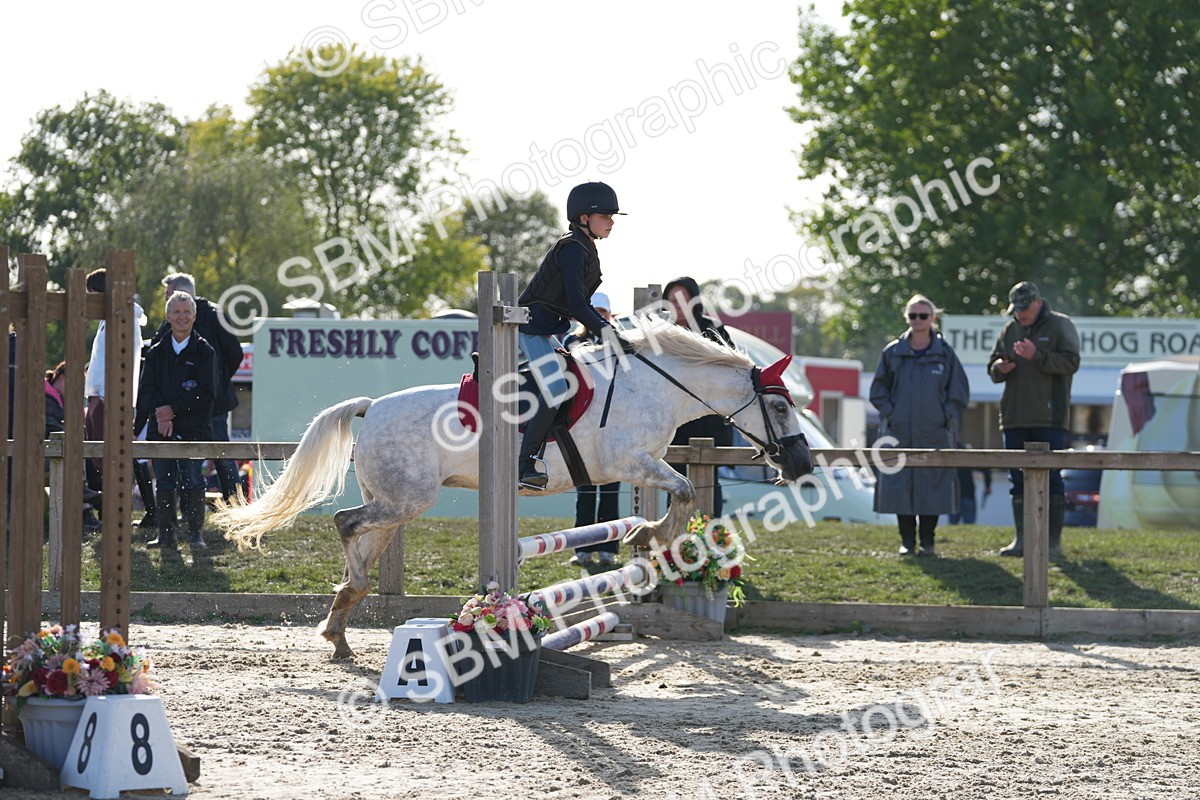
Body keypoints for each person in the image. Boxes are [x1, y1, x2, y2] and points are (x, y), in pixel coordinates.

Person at [515, 181, 632, 490]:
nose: (611, 222)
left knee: (573, 377)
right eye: (605, 216)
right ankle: (523, 465)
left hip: (543, 327)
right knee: (554, 388)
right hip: (528, 327)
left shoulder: (584, 246)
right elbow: (579, 305)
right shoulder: (572, 249)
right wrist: (608, 331)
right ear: (584, 218)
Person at [870, 294, 969, 556]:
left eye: (923, 315)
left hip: (935, 433)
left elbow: (958, 393)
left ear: (933, 318)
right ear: (907, 318)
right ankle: (906, 542)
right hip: (898, 432)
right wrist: (892, 413)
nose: (918, 320)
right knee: (900, 486)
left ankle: (928, 542)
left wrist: (945, 416)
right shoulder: (892, 352)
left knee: (932, 486)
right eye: (912, 315)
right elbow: (878, 390)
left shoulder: (945, 353)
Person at [988, 281, 1080, 557]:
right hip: (1015, 417)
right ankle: (1023, 541)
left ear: (1038, 302)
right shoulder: (1009, 329)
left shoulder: (1061, 326)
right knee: (1017, 479)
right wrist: (999, 368)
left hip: (1049, 417)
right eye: (1015, 309)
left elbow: (1071, 362)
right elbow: (992, 369)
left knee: (1052, 478)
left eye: (1024, 308)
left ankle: (1052, 544)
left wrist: (1037, 356)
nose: (1020, 314)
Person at [151, 272, 244, 504]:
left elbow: (235, 353)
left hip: (214, 404)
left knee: (221, 454)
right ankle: (187, 509)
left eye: (168, 294)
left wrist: (216, 382)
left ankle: (237, 508)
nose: (167, 301)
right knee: (186, 454)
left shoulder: (213, 316)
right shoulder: (172, 319)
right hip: (185, 406)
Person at [136, 291, 217, 550]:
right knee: (166, 482)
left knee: (193, 480)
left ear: (195, 316)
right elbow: (145, 390)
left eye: (186, 311)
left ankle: (195, 536)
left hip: (194, 430)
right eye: (176, 312)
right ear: (167, 316)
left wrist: (173, 410)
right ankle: (166, 535)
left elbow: (207, 393)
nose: (182, 316)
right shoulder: (155, 353)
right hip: (161, 433)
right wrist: (161, 410)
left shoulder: (205, 352)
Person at [662, 277, 734, 516]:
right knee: (673, 482)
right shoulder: (660, 333)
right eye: (672, 300)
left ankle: (710, 539)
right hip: (673, 420)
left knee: (709, 483)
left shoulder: (712, 329)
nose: (678, 304)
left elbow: (729, 369)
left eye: (683, 299)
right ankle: (674, 538)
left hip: (708, 419)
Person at [563, 292, 622, 568]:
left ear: (610, 314)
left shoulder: (619, 340)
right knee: (584, 489)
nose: (599, 316)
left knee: (611, 488)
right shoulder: (573, 341)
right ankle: (582, 548)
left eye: (604, 311)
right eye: (594, 311)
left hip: (614, 423)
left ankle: (609, 548)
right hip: (583, 422)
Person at [82, 268, 146, 496]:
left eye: (92, 294)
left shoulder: (124, 319)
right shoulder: (107, 319)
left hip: (110, 397)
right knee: (101, 458)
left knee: (112, 460)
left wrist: (106, 398)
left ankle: (118, 512)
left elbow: (124, 360)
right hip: (99, 394)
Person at [44, 361, 102, 531]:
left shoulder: (58, 397)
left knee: (83, 454)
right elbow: (51, 427)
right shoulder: (45, 396)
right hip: (39, 456)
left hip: (55, 451)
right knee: (76, 454)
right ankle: (86, 510)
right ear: (62, 378)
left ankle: (89, 506)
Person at [948, 442, 992, 525]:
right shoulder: (967, 453)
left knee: (952, 525)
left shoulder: (948, 453)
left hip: (953, 495)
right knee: (970, 525)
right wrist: (987, 485)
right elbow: (986, 469)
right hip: (968, 494)